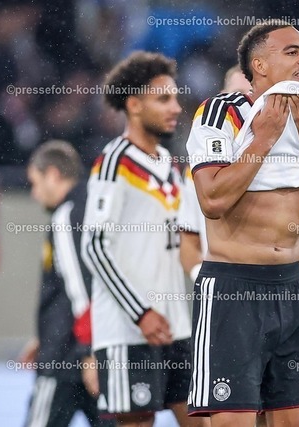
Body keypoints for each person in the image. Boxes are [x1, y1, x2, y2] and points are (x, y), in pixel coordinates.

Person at [185, 20, 299, 427]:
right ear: (259, 65)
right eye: (292, 51)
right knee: (234, 422)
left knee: (295, 420)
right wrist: (263, 138)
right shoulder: (221, 112)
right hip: (233, 287)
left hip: (292, 286)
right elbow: (213, 200)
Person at [81, 51, 200, 427]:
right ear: (133, 105)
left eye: (175, 98)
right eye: (163, 98)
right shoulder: (114, 161)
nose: (176, 107)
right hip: (129, 331)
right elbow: (94, 247)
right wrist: (141, 312)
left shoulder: (171, 164)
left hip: (176, 327)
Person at [21, 140, 113, 427]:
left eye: (35, 183)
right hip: (99, 350)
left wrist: (88, 352)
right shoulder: (95, 205)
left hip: (67, 360)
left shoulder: (66, 215)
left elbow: (81, 289)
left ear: (52, 174)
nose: (34, 194)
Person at [179, 65, 251, 281]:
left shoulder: (283, 157)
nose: (242, 105)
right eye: (236, 95)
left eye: (250, 97)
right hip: (222, 284)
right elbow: (188, 242)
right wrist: (205, 281)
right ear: (222, 97)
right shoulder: (197, 171)